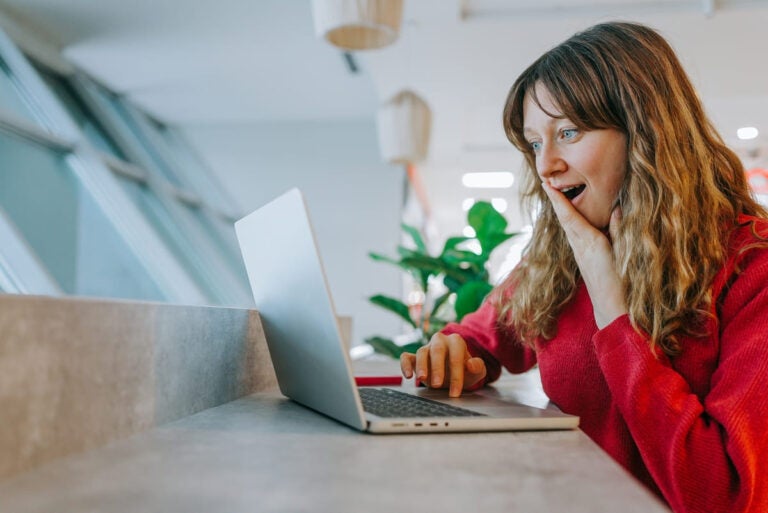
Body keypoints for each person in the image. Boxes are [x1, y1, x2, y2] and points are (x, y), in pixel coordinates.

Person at [400, 21, 768, 513]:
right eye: (534, 143)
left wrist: (610, 301)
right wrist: (453, 354)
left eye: (568, 132)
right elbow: (482, 338)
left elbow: (723, 495)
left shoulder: (751, 265)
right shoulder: (559, 253)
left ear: (645, 131)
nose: (545, 164)